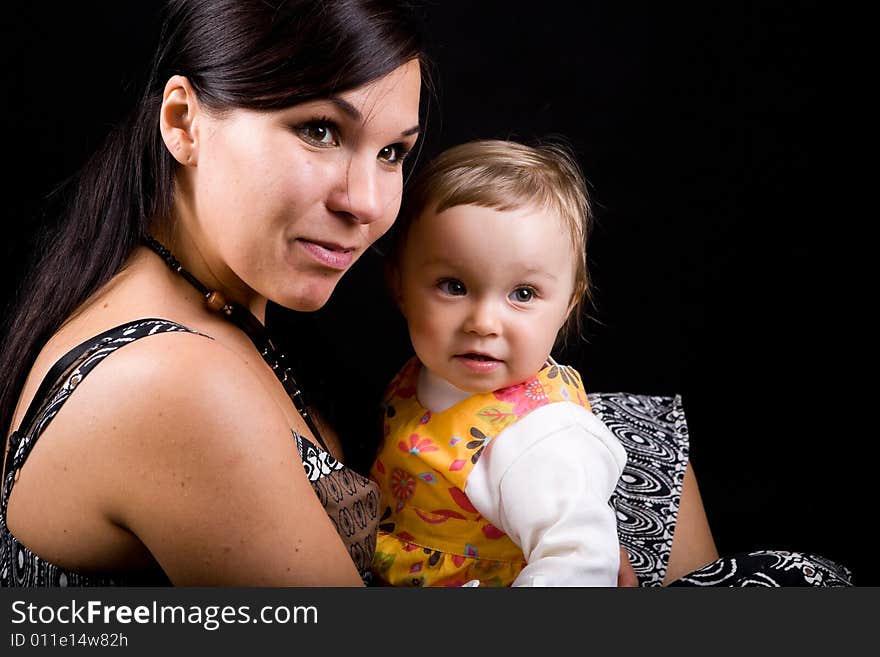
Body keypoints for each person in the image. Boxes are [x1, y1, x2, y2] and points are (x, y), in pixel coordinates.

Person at [0, 0, 427, 587]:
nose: (366, 203)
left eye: (391, 153)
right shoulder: (175, 383)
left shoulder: (195, 299)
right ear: (182, 123)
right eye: (319, 130)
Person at [369, 139, 629, 586]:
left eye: (522, 294)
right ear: (400, 286)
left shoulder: (539, 437)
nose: (484, 323)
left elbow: (580, 562)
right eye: (453, 286)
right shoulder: (426, 373)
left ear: (568, 305)